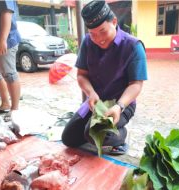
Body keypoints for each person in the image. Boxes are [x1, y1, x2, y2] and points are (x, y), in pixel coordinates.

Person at [62, 0, 148, 155]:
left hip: (121, 103)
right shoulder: (87, 42)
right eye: (92, 33)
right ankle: (93, 131)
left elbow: (136, 84)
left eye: (102, 31)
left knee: (95, 133)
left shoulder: (133, 46)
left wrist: (119, 106)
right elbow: (81, 75)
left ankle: (121, 134)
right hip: (97, 102)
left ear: (114, 22)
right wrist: (91, 93)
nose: (98, 39)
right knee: (68, 139)